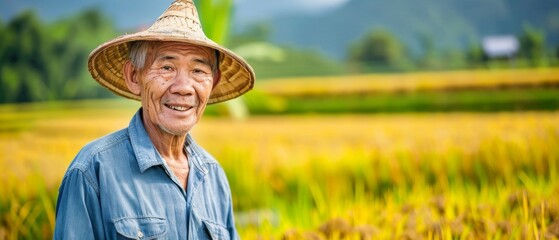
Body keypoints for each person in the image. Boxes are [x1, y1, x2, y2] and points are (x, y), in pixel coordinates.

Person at [54, 0, 255, 239]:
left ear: (213, 82)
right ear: (134, 77)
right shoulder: (93, 170)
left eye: (198, 71)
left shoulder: (213, 177)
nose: (183, 88)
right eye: (167, 67)